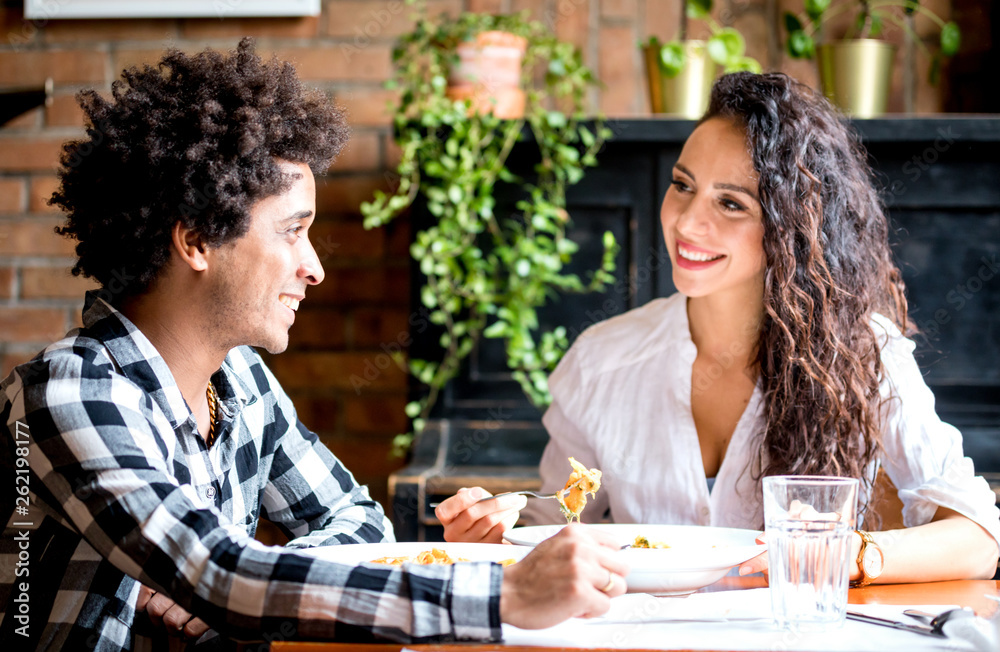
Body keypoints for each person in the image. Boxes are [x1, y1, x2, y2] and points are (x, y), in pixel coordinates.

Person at [0, 39, 630, 651]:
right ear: (195, 240)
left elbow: (358, 522)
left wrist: (250, 583)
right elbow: (221, 575)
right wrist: (499, 595)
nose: (315, 269)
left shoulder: (239, 379)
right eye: (291, 233)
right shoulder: (67, 393)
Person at [437, 72, 1000, 585]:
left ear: (793, 228)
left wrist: (845, 554)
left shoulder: (862, 351)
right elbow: (552, 520)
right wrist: (493, 529)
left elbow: (979, 537)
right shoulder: (600, 359)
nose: (686, 221)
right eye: (683, 185)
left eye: (731, 203)